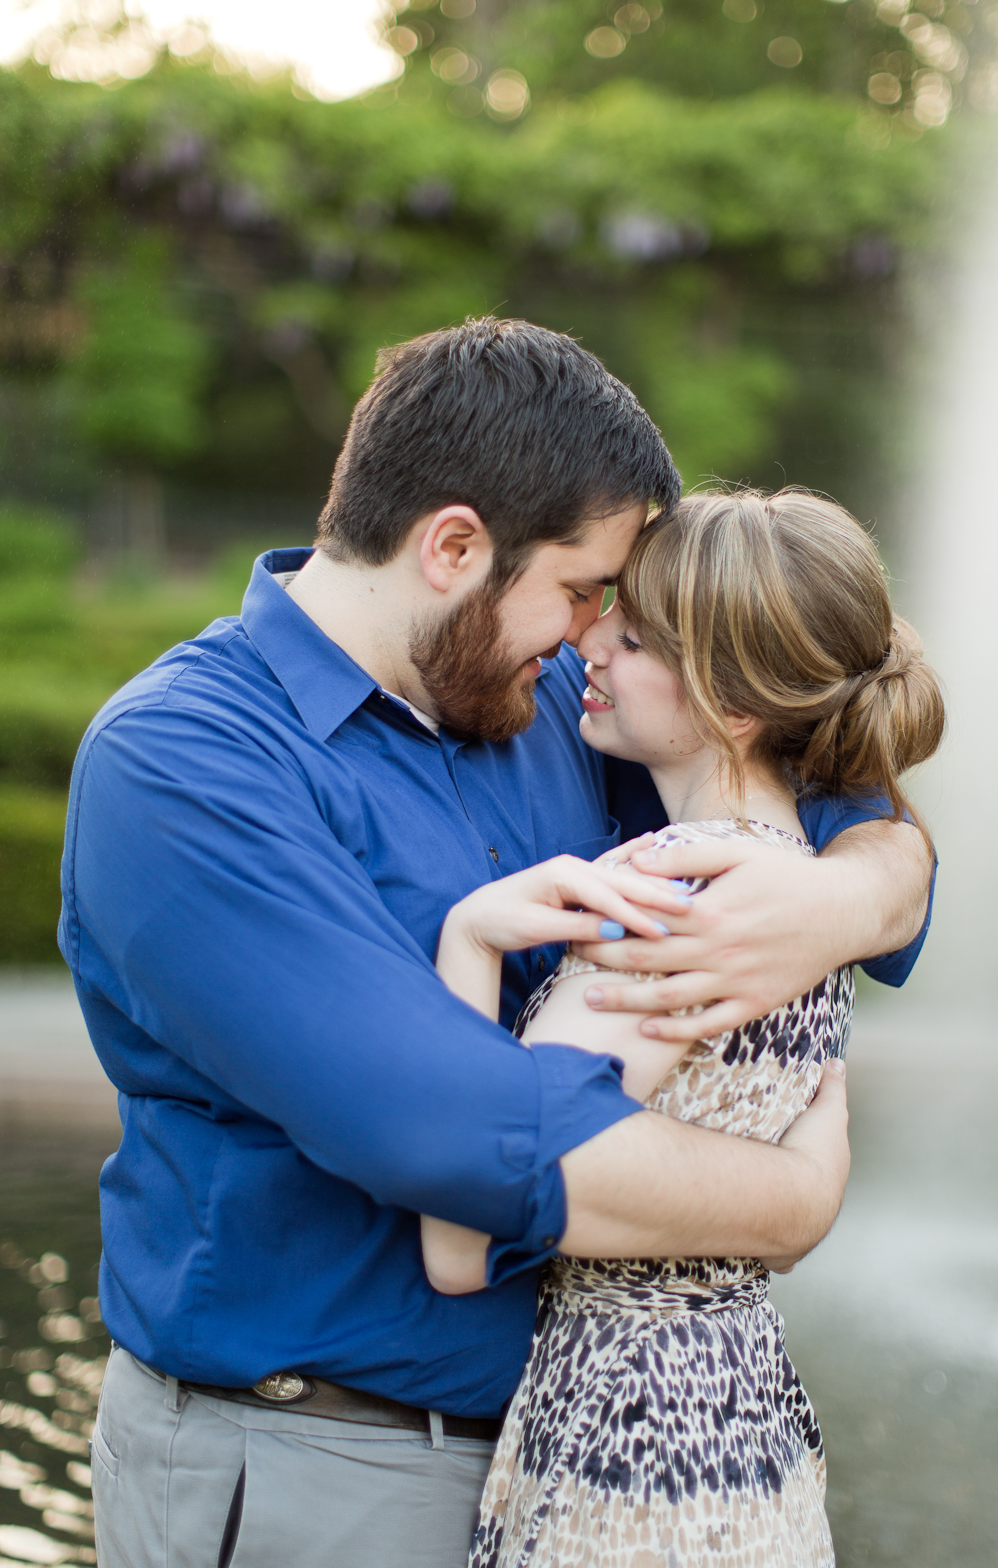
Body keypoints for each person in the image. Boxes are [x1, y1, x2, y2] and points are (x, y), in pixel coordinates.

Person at [61, 320, 933, 1568]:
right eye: (584, 593)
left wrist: (864, 893)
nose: (593, 637)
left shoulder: (529, 705)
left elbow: (811, 765)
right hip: (311, 1460)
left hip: (553, 1457)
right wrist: (788, 1202)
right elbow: (451, 1133)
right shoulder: (185, 765)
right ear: (455, 547)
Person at [422, 490, 945, 1567]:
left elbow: (461, 1241)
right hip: (739, 1414)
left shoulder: (673, 889)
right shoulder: (796, 876)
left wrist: (469, 943)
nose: (591, 641)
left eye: (637, 634)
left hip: (632, 1448)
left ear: (734, 702)